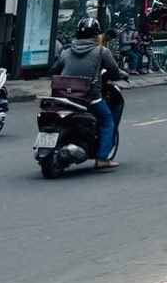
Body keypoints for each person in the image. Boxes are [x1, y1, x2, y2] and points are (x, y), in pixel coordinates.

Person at [51, 17, 127, 169]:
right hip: (88, 95)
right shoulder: (101, 51)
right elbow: (113, 71)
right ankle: (102, 158)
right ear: (96, 35)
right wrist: (123, 74)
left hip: (62, 95)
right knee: (107, 121)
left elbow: (54, 70)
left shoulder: (67, 51)